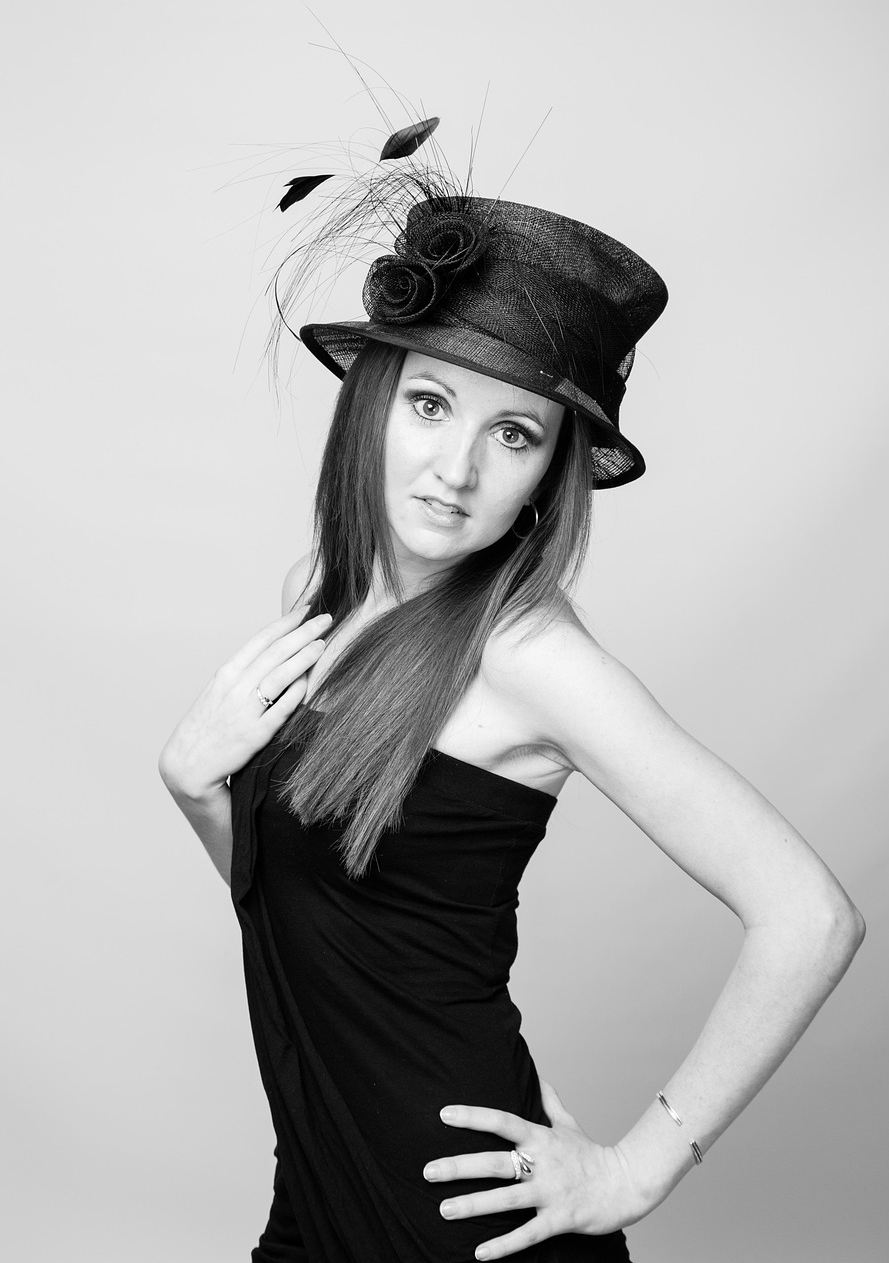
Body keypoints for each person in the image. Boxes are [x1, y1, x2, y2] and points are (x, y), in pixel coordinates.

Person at [159, 178, 865, 1262]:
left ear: (546, 472)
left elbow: (809, 916)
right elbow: (313, 913)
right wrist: (196, 789)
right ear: (374, 399)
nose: (458, 469)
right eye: (431, 405)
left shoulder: (531, 658)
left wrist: (638, 1166)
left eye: (514, 432)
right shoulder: (332, 606)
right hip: (319, 1186)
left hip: (461, 1220)